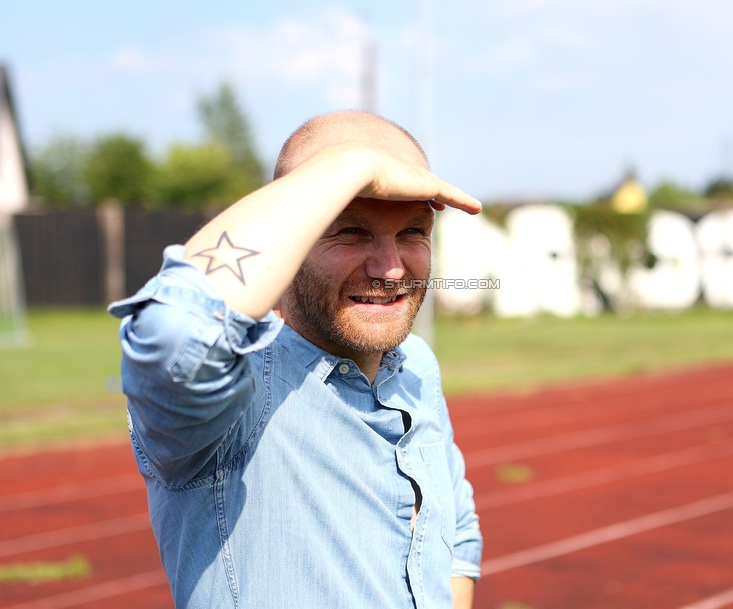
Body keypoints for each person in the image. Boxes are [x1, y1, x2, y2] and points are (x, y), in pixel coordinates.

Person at [110, 110, 484, 608]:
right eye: (349, 231)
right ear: (290, 242)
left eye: (413, 232)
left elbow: (456, 538)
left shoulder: (415, 363)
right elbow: (177, 330)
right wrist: (350, 166)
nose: (391, 268)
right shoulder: (241, 385)